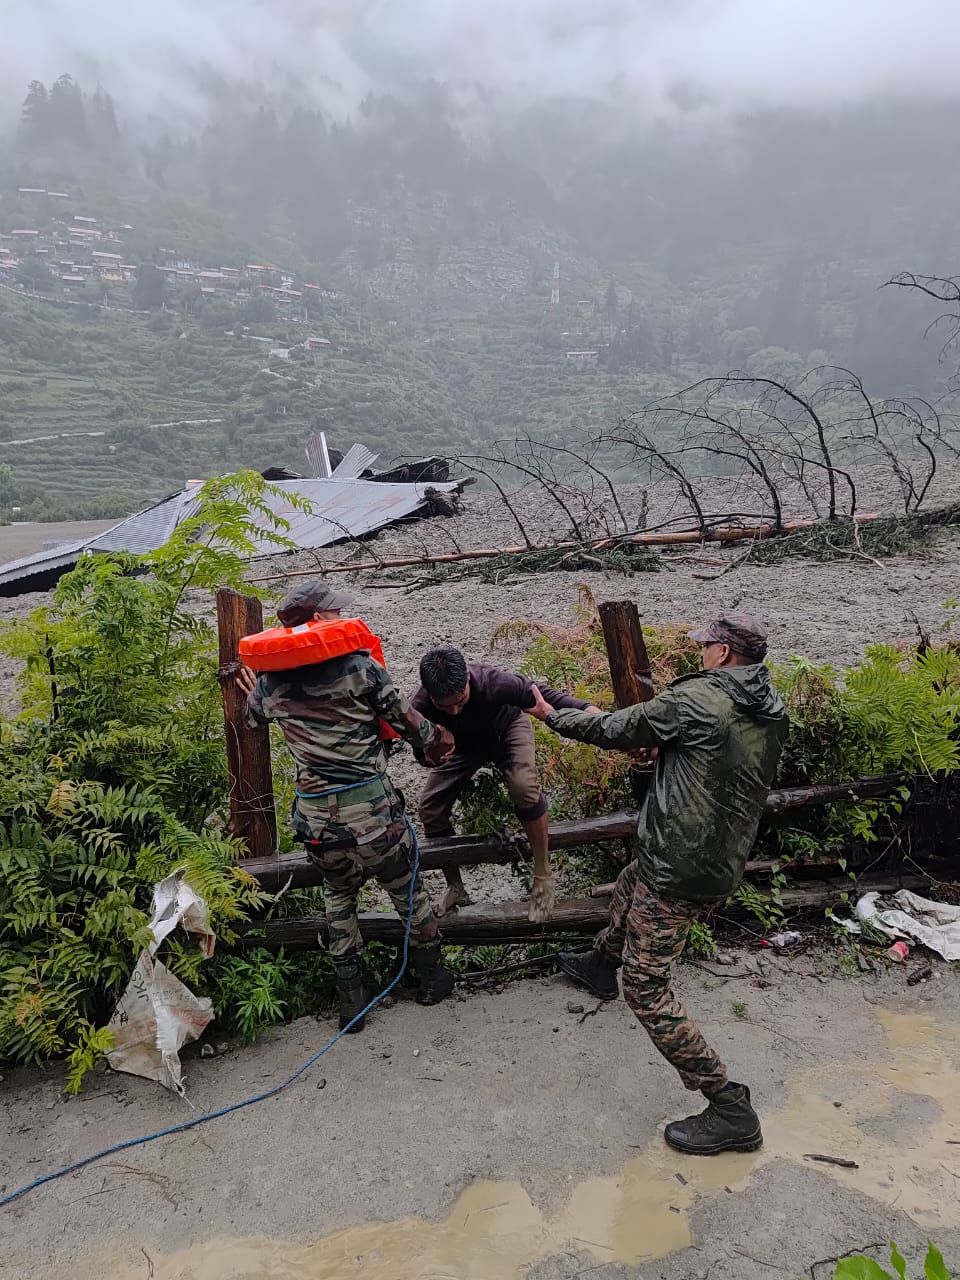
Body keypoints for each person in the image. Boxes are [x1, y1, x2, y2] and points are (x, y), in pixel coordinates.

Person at [525, 614, 788, 1155]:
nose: (701, 654)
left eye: (706, 646)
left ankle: (729, 1106)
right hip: (715, 856)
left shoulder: (697, 701)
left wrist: (549, 714)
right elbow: (715, 759)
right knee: (630, 885)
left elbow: (612, 730)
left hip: (681, 866)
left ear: (723, 653)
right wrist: (670, 749)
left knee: (646, 990)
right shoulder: (768, 706)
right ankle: (600, 964)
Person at [238, 580, 457, 1033]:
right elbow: (414, 729)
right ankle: (433, 979)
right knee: (407, 890)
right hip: (374, 818)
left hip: (317, 824)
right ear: (318, 620)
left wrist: (253, 689)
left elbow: (253, 718)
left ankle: (351, 1004)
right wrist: (444, 741)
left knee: (338, 896)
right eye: (336, 612)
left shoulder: (270, 682)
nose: (343, 617)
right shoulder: (361, 668)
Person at [412, 646, 600, 922]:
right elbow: (422, 756)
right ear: (429, 694)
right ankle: (455, 887)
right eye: (445, 707)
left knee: (523, 785)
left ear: (467, 678)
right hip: (463, 749)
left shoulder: (493, 682)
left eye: (460, 701)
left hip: (508, 730)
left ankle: (543, 874)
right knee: (430, 807)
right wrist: (434, 754)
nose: (453, 711)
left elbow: (551, 698)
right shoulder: (418, 708)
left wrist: (597, 716)